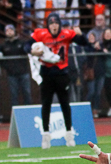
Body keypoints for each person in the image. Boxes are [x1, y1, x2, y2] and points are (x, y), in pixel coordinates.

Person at [26, 13, 87, 148]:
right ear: (48, 25)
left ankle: (69, 134)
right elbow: (26, 45)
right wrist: (32, 51)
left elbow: (84, 42)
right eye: (51, 23)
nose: (54, 26)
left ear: (59, 24)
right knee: (46, 104)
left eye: (56, 23)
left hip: (61, 73)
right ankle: (46, 135)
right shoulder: (41, 34)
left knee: (65, 104)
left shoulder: (67, 34)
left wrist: (81, 34)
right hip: (46, 73)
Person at [1, 24, 33, 107]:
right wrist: (7, 67)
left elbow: (27, 50)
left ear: (14, 31)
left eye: (11, 30)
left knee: (26, 92)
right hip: (11, 74)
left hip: (23, 72)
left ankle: (29, 110)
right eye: (7, 30)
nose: (9, 32)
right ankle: (15, 112)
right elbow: (1, 59)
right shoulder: (4, 45)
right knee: (14, 94)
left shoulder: (21, 42)